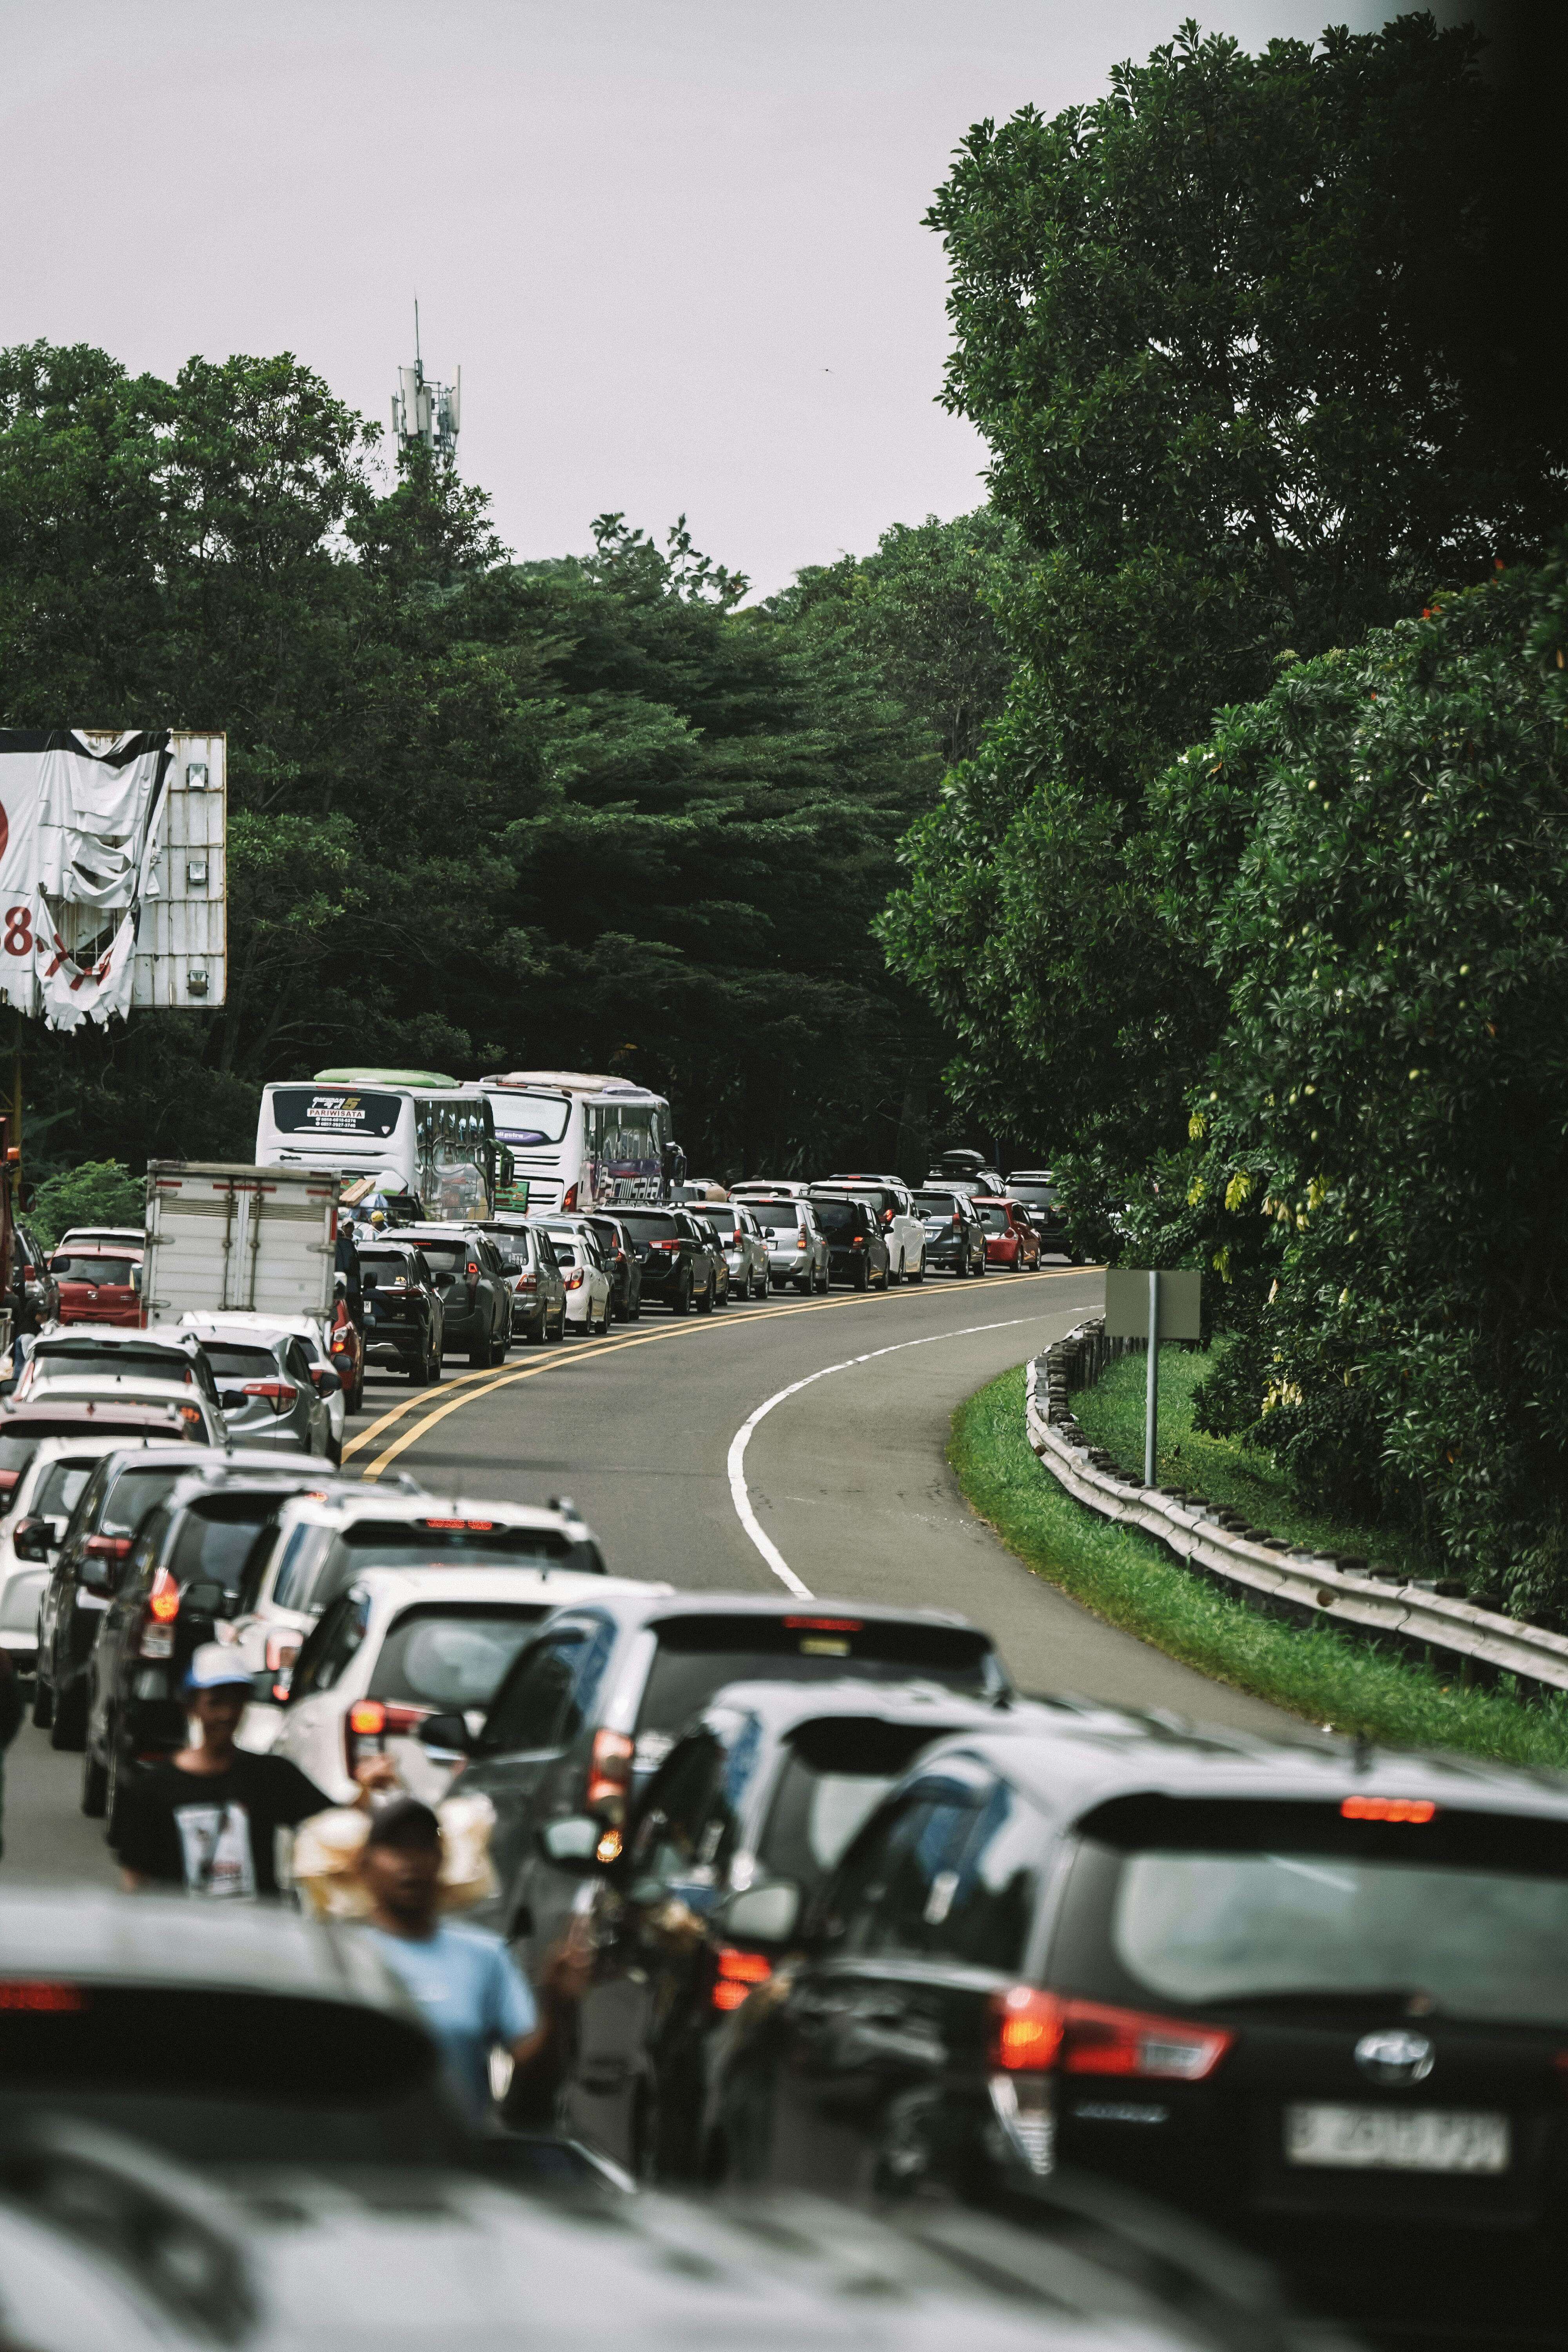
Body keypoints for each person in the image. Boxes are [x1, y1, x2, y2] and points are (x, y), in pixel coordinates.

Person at [356, 1797, 588, 2126]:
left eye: (423, 1846)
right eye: (396, 1847)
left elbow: (531, 2070)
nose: (410, 1862)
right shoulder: (338, 1953)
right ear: (364, 1865)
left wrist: (558, 2005)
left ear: (441, 1859)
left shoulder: (485, 1957)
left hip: (458, 2162)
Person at [117, 1644, 387, 1897]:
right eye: (216, 1702)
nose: (227, 1714)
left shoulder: (269, 1775)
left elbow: (337, 1825)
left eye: (236, 1702)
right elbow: (136, 1880)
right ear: (191, 1706)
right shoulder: (152, 1790)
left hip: (258, 1939)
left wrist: (367, 1788)